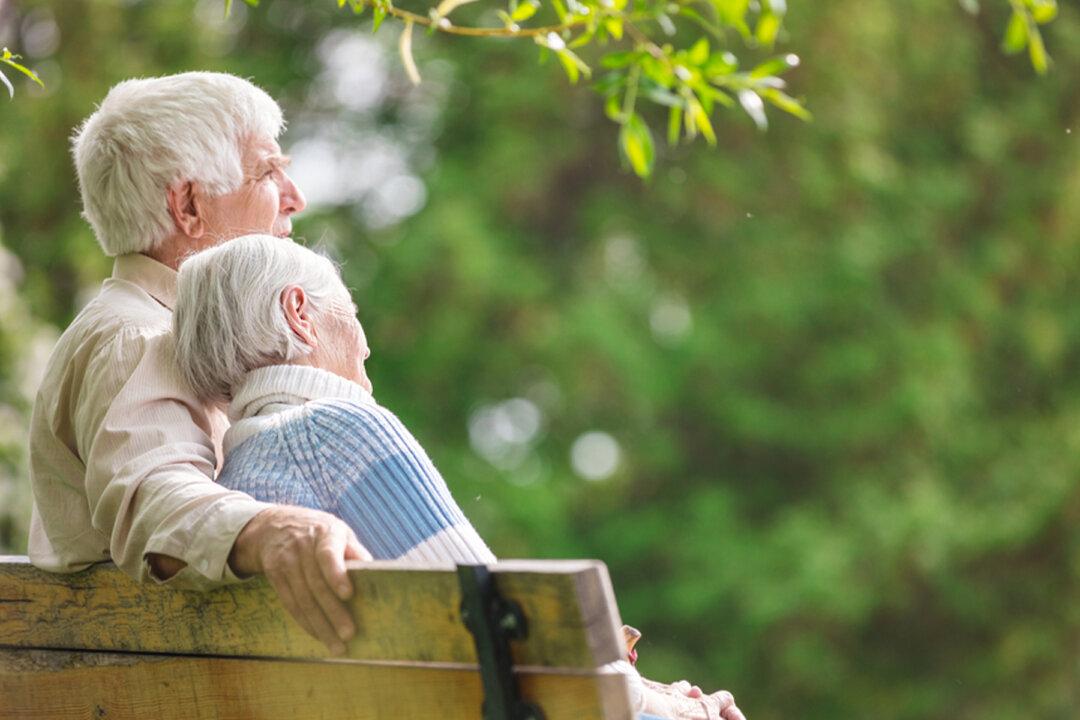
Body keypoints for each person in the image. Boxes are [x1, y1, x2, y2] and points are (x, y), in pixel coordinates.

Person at [172, 234, 747, 720]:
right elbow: (516, 644)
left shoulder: (233, 478)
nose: (367, 343)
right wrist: (685, 711)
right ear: (300, 313)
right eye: (352, 313)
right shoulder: (336, 430)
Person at [27, 72, 368, 656]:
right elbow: (152, 495)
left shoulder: (174, 331)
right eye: (267, 172)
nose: (295, 197)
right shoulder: (138, 336)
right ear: (187, 205)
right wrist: (273, 530)